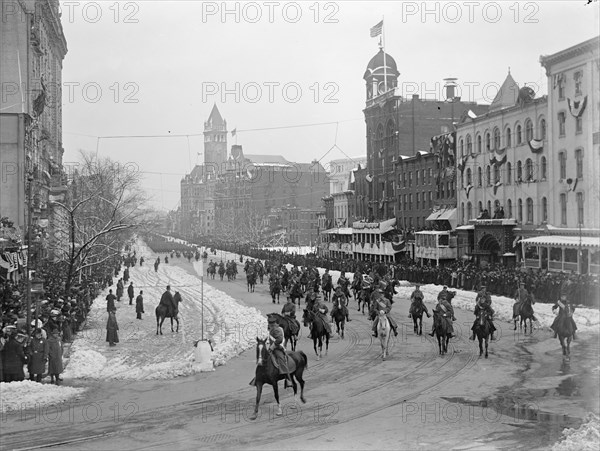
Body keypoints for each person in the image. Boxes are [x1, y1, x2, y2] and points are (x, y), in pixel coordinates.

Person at [267, 316, 292, 387]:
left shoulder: (276, 329)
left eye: (269, 324)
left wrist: (273, 346)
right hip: (272, 347)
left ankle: (288, 379)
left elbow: (280, 339)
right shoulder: (272, 329)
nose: (268, 325)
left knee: (281, 359)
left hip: (278, 348)